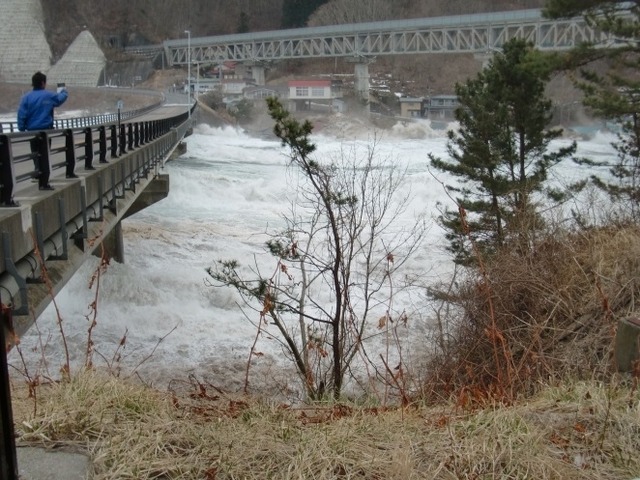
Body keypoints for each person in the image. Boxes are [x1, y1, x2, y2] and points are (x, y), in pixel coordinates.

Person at [17, 71, 71, 190]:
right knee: (45, 154)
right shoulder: (48, 95)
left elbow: (21, 114)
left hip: (32, 132)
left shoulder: (26, 97)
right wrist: (64, 91)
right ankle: (44, 182)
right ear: (43, 83)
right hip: (45, 131)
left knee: (35, 153)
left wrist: (22, 128)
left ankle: (37, 173)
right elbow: (60, 99)